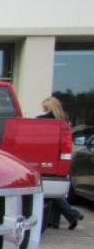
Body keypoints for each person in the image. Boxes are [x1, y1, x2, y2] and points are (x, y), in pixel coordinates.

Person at [37, 97, 84, 230]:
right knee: (54, 190)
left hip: (43, 157)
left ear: (47, 107)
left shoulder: (40, 120)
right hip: (59, 158)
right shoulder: (63, 122)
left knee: (50, 191)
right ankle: (54, 221)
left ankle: (72, 214)